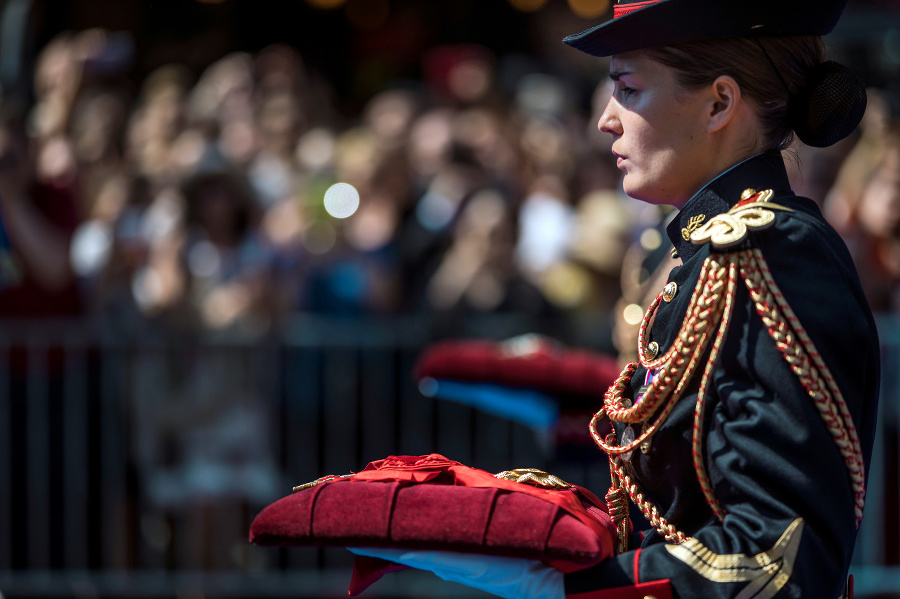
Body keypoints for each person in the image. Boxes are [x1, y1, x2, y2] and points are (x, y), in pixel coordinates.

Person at [349, 1, 880, 597]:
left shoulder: (767, 252)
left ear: (719, 104)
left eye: (628, 89)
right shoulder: (712, 248)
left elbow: (778, 557)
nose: (605, 119)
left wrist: (574, 583)